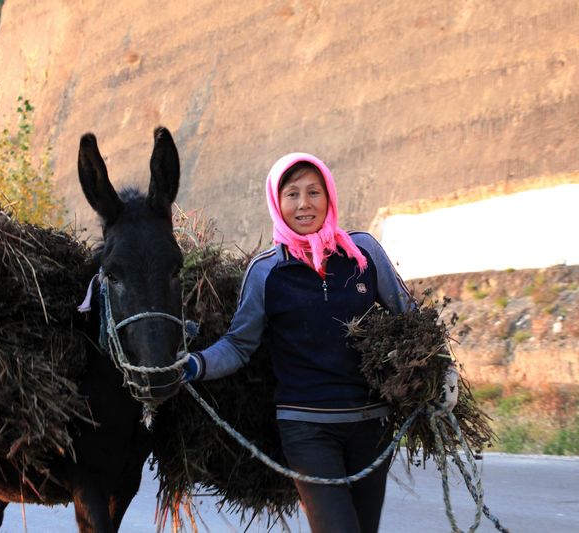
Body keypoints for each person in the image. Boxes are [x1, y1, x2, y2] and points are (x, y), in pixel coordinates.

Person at [182, 153, 457, 533]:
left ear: (329, 197)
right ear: (277, 204)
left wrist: (442, 368)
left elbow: (410, 318)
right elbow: (238, 345)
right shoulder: (266, 271)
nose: (304, 203)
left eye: (314, 191)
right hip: (306, 428)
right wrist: (193, 365)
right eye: (292, 194)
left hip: (372, 426)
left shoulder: (363, 252)